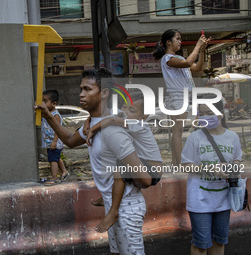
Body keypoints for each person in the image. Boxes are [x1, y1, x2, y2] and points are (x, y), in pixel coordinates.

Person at [35, 68, 152, 255]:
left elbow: (145, 180)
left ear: (104, 92)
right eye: (81, 89)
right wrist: (48, 115)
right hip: (112, 203)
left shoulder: (113, 129)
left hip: (126, 206)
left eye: (87, 89)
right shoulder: (94, 122)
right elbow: (71, 141)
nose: (81, 94)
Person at [83, 92, 163, 233]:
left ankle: (113, 211)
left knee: (118, 168)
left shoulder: (140, 124)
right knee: (118, 161)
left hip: (152, 170)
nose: (124, 112)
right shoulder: (126, 116)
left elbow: (111, 121)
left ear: (143, 117)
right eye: (124, 107)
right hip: (142, 164)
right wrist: (88, 120)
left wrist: (93, 129)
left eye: (131, 110)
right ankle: (107, 197)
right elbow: (107, 115)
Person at [181, 96, 243, 255]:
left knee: (219, 241)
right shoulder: (195, 137)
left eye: (209, 113)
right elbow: (185, 165)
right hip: (200, 200)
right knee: (201, 244)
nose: (204, 117)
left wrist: (232, 168)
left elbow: (237, 158)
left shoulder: (232, 137)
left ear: (221, 113)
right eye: (201, 113)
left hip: (224, 199)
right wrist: (210, 169)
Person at [153, 29, 211, 166]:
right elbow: (188, 64)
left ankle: (176, 162)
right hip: (176, 96)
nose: (180, 41)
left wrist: (202, 50)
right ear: (168, 42)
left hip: (181, 96)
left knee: (177, 131)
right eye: (177, 39)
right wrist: (197, 45)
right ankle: (180, 164)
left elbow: (198, 67)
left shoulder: (179, 58)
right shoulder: (168, 59)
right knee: (178, 131)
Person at [40, 90, 69, 186]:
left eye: (45, 101)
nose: (42, 103)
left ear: (54, 103)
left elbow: (58, 130)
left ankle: (54, 177)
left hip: (54, 141)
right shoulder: (46, 113)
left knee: (53, 159)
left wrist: (54, 141)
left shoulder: (55, 115)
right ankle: (64, 172)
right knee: (56, 157)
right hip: (49, 141)